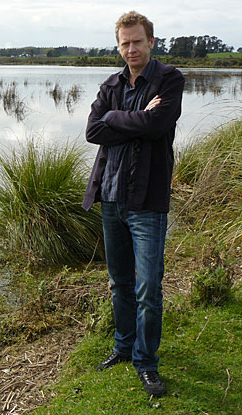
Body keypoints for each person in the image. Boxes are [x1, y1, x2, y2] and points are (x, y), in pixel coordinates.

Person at [82, 11, 184, 396]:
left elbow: (157, 127)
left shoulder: (169, 79)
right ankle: (123, 349)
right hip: (110, 197)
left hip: (147, 200)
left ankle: (146, 362)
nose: (130, 49)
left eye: (137, 41)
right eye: (124, 43)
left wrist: (117, 120)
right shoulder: (111, 84)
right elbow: (93, 130)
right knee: (119, 283)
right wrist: (135, 116)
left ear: (151, 41)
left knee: (148, 288)